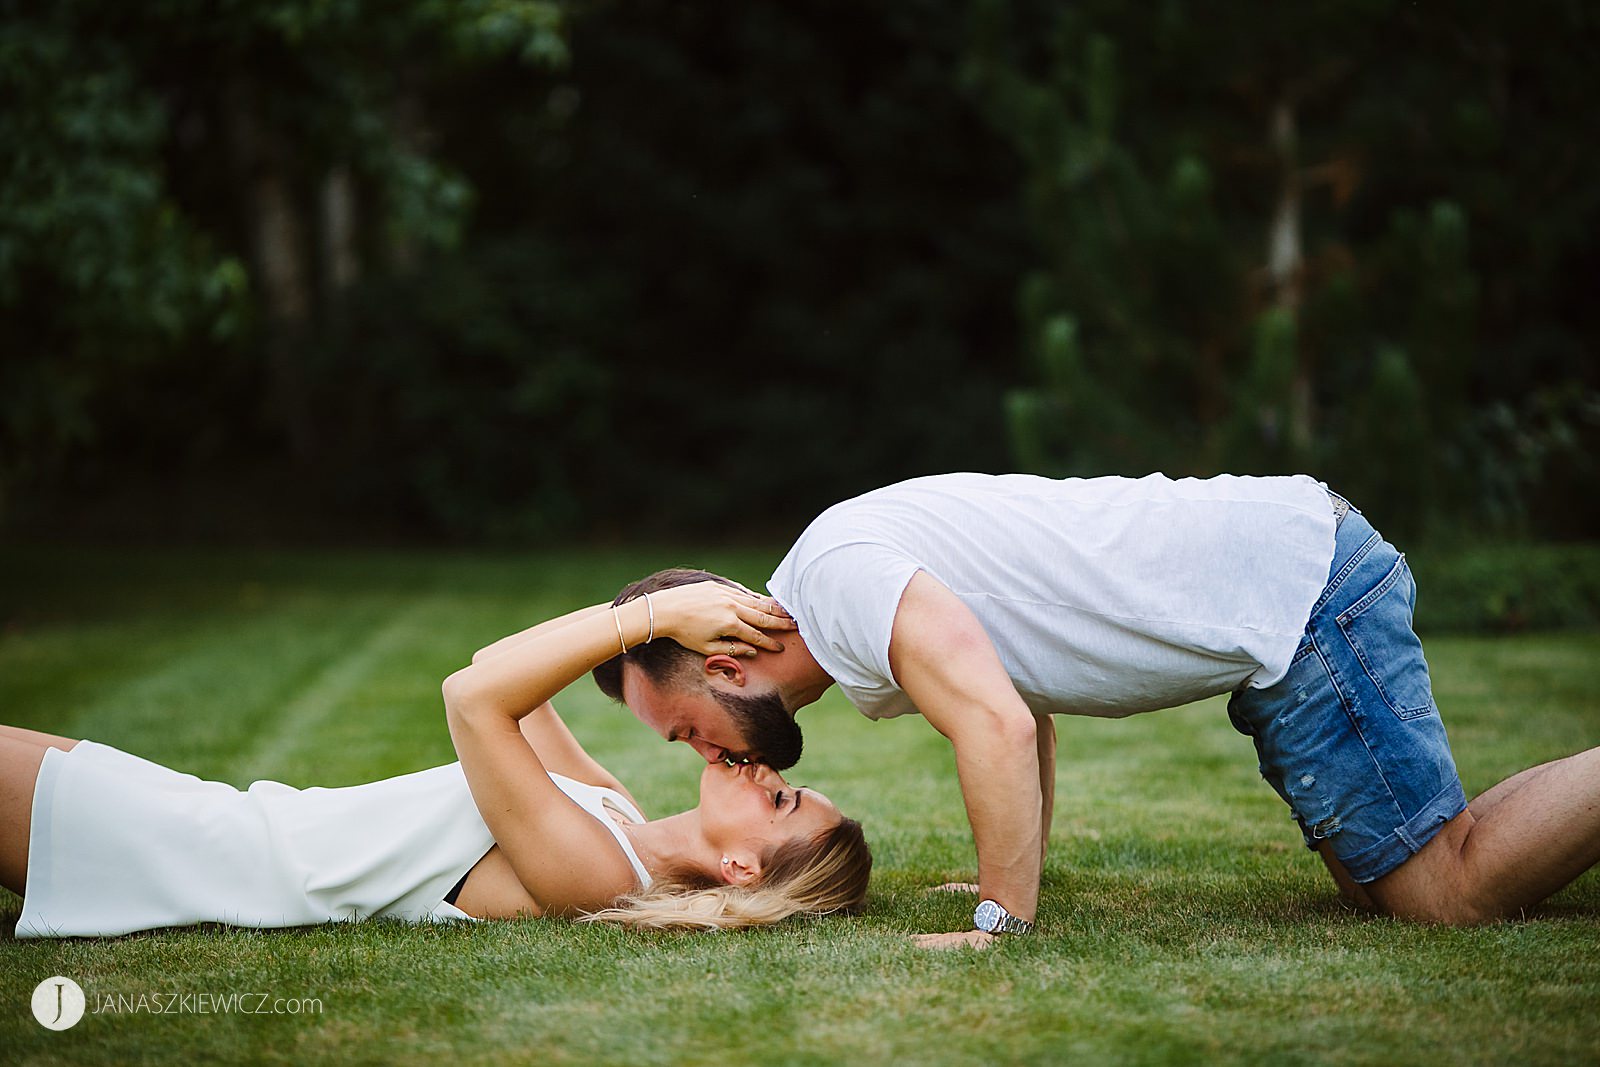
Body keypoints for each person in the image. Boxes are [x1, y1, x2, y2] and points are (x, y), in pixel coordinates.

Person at [592, 472, 1600, 947]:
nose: (703, 755)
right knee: (1388, 885)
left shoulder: (844, 582)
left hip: (1302, 592)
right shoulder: (833, 584)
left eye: (685, 729)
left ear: (725, 666)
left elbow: (997, 721)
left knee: (1441, 894)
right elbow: (1022, 697)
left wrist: (1002, 913)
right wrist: (1003, 857)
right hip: (1284, 598)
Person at [2, 581, 869, 937]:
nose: (766, 771)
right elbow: (502, 668)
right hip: (205, 812)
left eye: (784, 802)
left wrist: (650, 618)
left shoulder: (598, 875)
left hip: (198, 858)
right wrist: (647, 608)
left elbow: (470, 696)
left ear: (739, 867)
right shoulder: (617, 815)